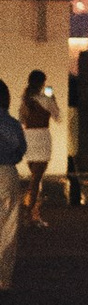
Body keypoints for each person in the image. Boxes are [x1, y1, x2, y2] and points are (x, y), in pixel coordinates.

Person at [18, 65, 58, 227]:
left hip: (29, 138)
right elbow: (57, 116)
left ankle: (35, 215)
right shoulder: (46, 100)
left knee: (36, 179)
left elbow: (21, 120)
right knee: (36, 180)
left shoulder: (25, 101)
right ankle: (28, 214)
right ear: (42, 83)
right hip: (42, 138)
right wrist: (53, 100)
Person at [0, 79, 23, 291]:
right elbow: (19, 151)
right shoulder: (12, 124)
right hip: (6, 172)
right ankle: (3, 277)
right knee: (7, 226)